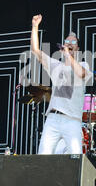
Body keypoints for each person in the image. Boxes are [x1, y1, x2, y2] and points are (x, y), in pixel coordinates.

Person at [31, 14, 92, 154]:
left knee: (75, 159)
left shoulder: (83, 64)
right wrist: (35, 27)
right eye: (67, 41)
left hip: (72, 120)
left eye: (73, 42)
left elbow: (81, 74)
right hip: (53, 118)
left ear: (77, 48)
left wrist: (68, 56)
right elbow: (36, 51)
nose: (70, 44)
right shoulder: (55, 65)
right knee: (43, 157)